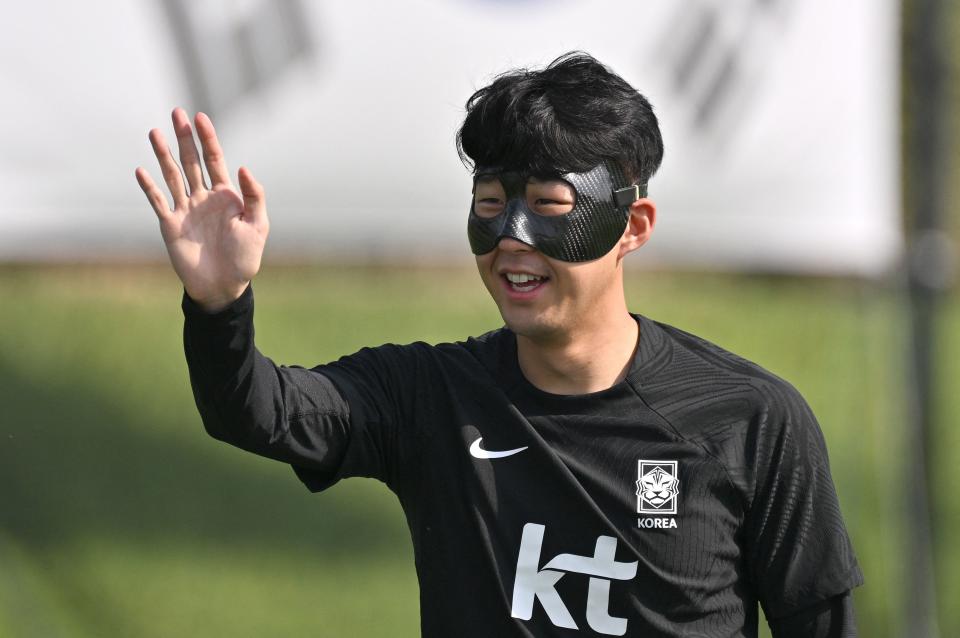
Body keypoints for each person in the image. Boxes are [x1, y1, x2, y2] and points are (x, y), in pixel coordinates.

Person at [135, 52, 863, 637]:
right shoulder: (429, 397)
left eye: (549, 206)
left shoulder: (749, 418)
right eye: (490, 204)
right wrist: (219, 302)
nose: (512, 236)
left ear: (633, 226)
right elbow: (256, 412)